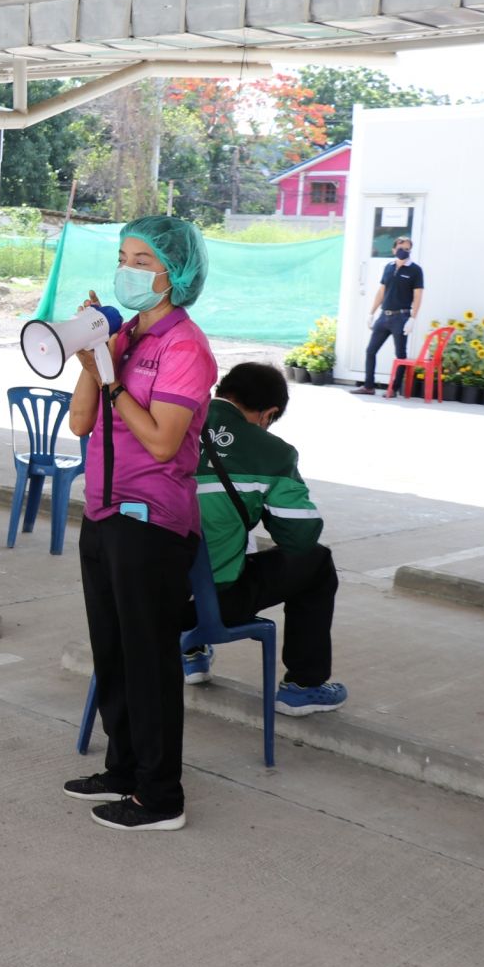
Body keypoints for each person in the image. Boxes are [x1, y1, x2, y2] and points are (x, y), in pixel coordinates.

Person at [64, 216, 218, 832]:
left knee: (150, 659)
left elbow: (161, 442)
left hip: (151, 522)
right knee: (113, 650)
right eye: (122, 257)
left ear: (173, 275)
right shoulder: (125, 335)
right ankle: (123, 767)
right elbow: (79, 423)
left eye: (142, 260)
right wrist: (94, 354)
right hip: (104, 513)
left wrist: (111, 380)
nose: (127, 270)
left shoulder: (187, 348)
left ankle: (161, 796)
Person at [184, 363, 347, 716]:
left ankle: (190, 655)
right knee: (317, 562)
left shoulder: (168, 422)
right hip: (213, 604)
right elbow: (300, 535)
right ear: (269, 413)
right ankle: (304, 686)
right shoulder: (272, 453)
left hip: (146, 597)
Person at [352, 235, 424, 397]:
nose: (403, 251)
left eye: (407, 249)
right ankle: (369, 386)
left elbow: (418, 295)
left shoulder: (415, 270)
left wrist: (413, 318)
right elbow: (381, 291)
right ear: (393, 250)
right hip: (384, 317)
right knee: (371, 350)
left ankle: (393, 389)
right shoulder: (389, 267)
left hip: (401, 317)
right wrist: (371, 313)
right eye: (400, 248)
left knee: (400, 355)